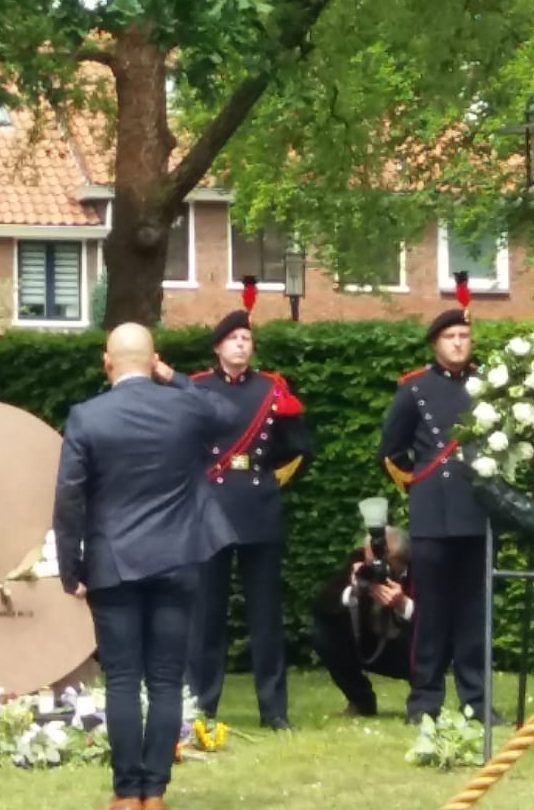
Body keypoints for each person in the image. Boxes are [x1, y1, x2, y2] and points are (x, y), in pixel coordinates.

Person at [53, 322, 240, 810]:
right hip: (179, 558)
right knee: (164, 679)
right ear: (153, 358)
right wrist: (175, 377)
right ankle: (154, 792)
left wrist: (71, 568)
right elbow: (228, 414)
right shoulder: (185, 406)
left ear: (106, 361)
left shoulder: (87, 417)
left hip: (113, 562)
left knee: (120, 679)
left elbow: (69, 498)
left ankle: (125, 792)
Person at [186, 292, 314, 731]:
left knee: (265, 615)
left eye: (247, 338)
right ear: (218, 347)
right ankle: (201, 704)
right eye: (233, 338)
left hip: (259, 504)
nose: (241, 345)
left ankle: (274, 709)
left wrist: (268, 477)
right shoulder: (197, 388)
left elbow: (299, 447)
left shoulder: (271, 391)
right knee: (206, 613)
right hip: (211, 508)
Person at [377, 282, 501, 725]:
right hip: (433, 512)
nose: (459, 343)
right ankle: (424, 702)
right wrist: (419, 483)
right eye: (451, 337)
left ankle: (477, 702)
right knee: (429, 615)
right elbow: (391, 451)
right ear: (436, 343)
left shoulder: (490, 384)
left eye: (465, 337)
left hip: (478, 510)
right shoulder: (414, 389)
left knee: (474, 614)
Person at [310, 527, 413, 718]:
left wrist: (403, 603)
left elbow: (434, 620)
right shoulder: (360, 562)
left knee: (427, 641)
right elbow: (322, 606)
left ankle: (422, 703)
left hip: (411, 649)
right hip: (370, 646)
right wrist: (353, 590)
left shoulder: (419, 569)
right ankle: (361, 701)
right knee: (323, 632)